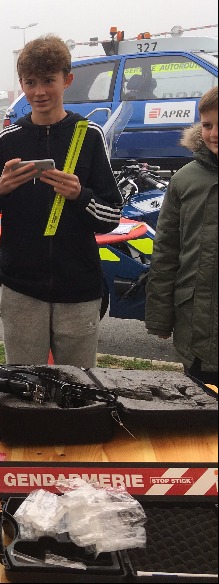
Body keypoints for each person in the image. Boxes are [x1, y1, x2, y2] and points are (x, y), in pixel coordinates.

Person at [0, 35, 122, 368]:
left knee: (80, 387)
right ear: (21, 84)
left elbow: (111, 215)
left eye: (49, 81)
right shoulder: (8, 139)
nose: (39, 92)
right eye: (30, 82)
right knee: (24, 386)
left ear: (67, 80)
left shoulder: (89, 135)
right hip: (21, 289)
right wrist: (0, 190)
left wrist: (80, 195)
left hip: (79, 289)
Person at [145, 86, 218, 385]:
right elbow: (166, 251)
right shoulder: (184, 180)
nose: (214, 133)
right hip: (196, 331)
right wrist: (160, 317)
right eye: (208, 125)